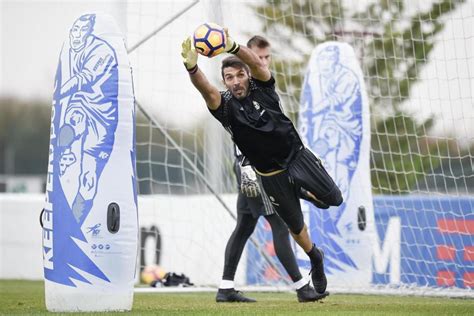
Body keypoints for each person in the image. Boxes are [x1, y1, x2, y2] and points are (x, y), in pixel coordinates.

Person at [180, 26, 343, 301]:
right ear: (225, 81)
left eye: (239, 75)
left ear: (247, 75)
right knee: (292, 227)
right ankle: (314, 258)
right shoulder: (224, 106)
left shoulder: (264, 87)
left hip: (298, 158)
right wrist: (193, 69)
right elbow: (207, 91)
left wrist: (231, 45)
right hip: (269, 175)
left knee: (334, 199)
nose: (235, 81)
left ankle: (303, 191)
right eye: (228, 78)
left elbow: (256, 62)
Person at [215, 36, 321, 303]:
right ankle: (302, 287)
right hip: (253, 171)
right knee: (281, 223)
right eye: (258, 58)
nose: (262, 63)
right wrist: (245, 170)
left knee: (244, 226)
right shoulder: (239, 90)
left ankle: (225, 288)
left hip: (258, 168)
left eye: (266, 58)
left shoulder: (262, 87)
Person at [56, 13, 119, 224]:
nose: (78, 34)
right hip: (82, 104)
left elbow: (84, 79)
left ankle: (75, 223)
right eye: (76, 30)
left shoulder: (102, 51)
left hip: (103, 118)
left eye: (83, 30)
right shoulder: (71, 51)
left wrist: (58, 93)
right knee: (74, 118)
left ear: (90, 32)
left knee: (88, 180)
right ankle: (64, 147)